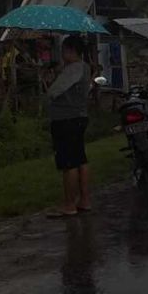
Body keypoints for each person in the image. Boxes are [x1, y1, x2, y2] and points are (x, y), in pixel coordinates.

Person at [47, 36, 92, 217]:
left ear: (70, 50)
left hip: (67, 119)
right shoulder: (84, 67)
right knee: (80, 159)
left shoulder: (73, 69)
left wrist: (51, 83)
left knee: (69, 163)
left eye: (64, 50)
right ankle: (84, 199)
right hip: (79, 117)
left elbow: (54, 92)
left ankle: (69, 204)